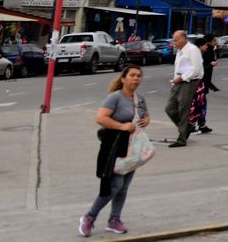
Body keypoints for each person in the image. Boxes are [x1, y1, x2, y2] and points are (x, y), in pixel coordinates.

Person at [80, 65, 150, 237]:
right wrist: (121, 126)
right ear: (123, 78)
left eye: (139, 76)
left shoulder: (139, 99)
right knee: (114, 185)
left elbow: (145, 115)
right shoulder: (115, 98)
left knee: (124, 186)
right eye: (132, 75)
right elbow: (100, 118)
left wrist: (146, 120)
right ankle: (89, 218)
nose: (136, 78)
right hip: (114, 146)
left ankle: (114, 220)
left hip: (132, 147)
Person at [164, 30, 203, 148]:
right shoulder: (180, 51)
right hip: (178, 81)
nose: (174, 43)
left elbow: (196, 70)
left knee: (183, 108)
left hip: (189, 81)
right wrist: (176, 80)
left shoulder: (192, 50)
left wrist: (182, 78)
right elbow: (179, 68)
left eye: (176, 40)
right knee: (169, 108)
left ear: (184, 38)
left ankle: (181, 138)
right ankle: (188, 127)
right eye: (173, 40)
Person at [189, 37, 213, 134]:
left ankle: (200, 125)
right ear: (200, 46)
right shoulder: (196, 55)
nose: (207, 47)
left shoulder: (199, 54)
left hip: (200, 84)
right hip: (196, 84)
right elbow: (196, 70)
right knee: (197, 105)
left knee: (201, 104)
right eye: (205, 45)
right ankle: (192, 125)